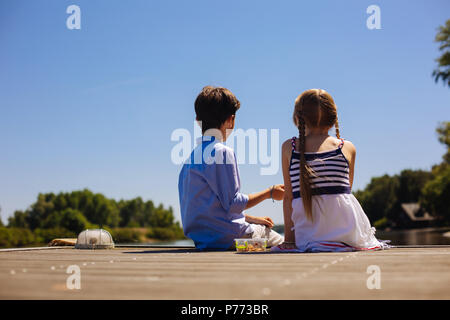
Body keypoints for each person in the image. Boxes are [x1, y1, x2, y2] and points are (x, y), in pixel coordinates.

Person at [272, 89, 389, 253]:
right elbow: (346, 192)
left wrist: (290, 241)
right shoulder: (347, 147)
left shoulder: (289, 148)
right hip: (348, 235)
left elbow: (288, 198)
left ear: (298, 118)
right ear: (334, 119)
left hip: (308, 236)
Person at [178, 85, 285, 250]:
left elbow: (214, 209)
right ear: (231, 120)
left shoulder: (189, 160)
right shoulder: (222, 152)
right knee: (284, 244)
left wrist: (251, 219)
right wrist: (270, 192)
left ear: (198, 121)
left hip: (205, 242)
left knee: (261, 233)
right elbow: (233, 203)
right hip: (233, 239)